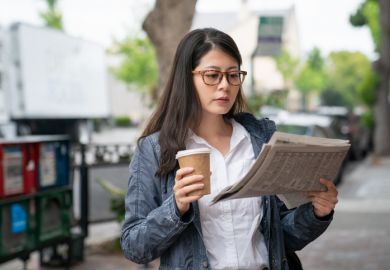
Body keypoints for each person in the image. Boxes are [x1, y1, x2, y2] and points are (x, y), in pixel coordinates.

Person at [121, 28, 338, 270]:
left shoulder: (259, 139)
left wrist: (317, 213)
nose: (225, 85)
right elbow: (135, 247)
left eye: (233, 75)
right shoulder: (154, 149)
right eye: (212, 75)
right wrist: (176, 208)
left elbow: (281, 238)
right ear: (186, 78)